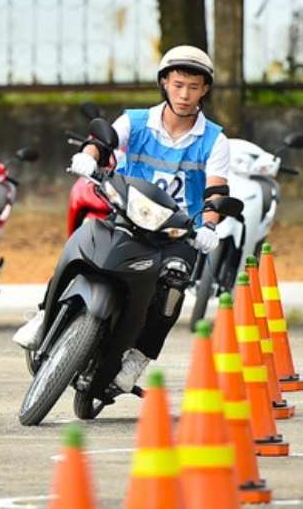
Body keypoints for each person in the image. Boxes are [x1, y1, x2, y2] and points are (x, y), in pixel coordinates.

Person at [14, 46, 227, 392]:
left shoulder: (215, 140)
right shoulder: (135, 120)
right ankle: (44, 315)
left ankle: (139, 357)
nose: (184, 94)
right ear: (164, 84)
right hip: (127, 214)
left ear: (205, 89)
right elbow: (102, 142)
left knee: (174, 284)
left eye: (193, 86)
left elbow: (216, 191)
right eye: (177, 84)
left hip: (177, 232)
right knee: (82, 241)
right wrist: (87, 156)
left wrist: (210, 225)